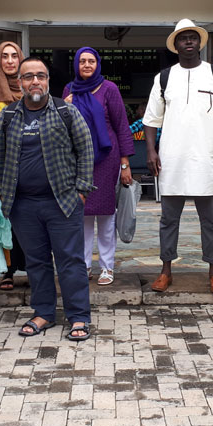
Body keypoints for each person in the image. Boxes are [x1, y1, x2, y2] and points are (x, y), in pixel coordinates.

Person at [142, 18, 213, 294]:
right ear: (175, 45)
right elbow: (151, 120)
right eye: (182, 38)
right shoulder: (164, 78)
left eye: (192, 37)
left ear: (199, 43)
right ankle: (166, 269)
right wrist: (151, 151)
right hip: (172, 159)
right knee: (168, 219)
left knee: (210, 220)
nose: (188, 42)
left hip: (208, 159)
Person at [0, 57, 95, 340]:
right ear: (20, 82)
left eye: (40, 76)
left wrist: (82, 190)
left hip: (62, 202)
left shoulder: (66, 111)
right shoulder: (9, 116)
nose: (34, 81)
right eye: (28, 77)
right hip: (23, 205)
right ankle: (43, 313)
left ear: (48, 80)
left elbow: (86, 149)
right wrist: (3, 193)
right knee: (36, 262)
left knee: (70, 261)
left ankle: (78, 317)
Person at [63, 47, 134, 285]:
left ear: (97, 64)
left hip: (107, 159)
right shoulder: (69, 90)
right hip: (78, 161)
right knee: (81, 216)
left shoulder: (109, 89)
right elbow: (61, 127)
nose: (86, 65)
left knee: (106, 216)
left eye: (91, 61)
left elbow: (122, 125)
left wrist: (125, 164)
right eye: (82, 61)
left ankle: (107, 267)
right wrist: (65, 105)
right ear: (76, 65)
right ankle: (83, 266)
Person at [0, 41, 29, 291]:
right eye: (4, 57)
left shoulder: (30, 84)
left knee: (31, 218)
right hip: (4, 163)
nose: (10, 61)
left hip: (31, 161)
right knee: (7, 218)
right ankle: (8, 271)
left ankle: (32, 269)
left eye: (14, 56)